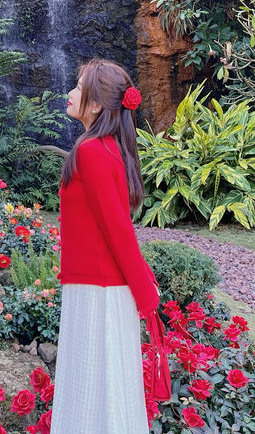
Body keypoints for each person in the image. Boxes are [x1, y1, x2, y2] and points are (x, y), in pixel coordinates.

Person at [51, 59, 160, 434]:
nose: (70, 93)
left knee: (91, 392)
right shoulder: (108, 147)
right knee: (108, 391)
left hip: (97, 292)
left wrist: (146, 294)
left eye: (78, 87)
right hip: (100, 287)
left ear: (96, 104)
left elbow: (118, 231)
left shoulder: (93, 150)